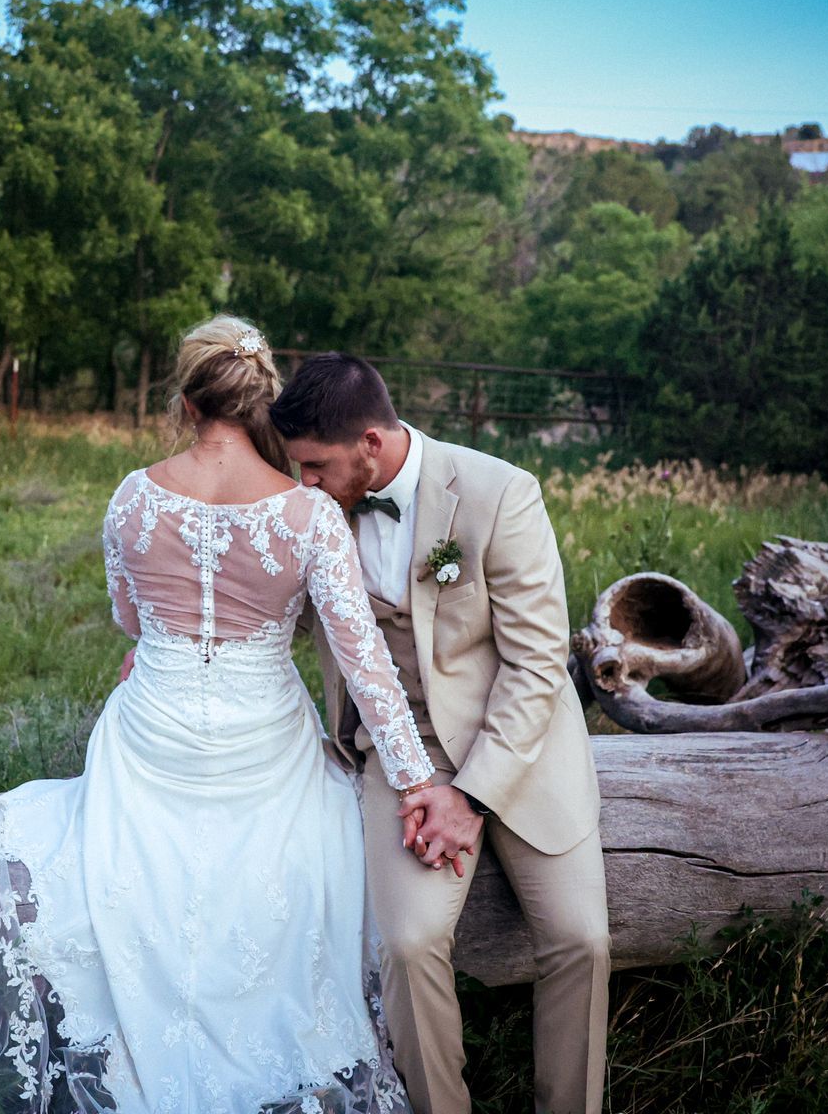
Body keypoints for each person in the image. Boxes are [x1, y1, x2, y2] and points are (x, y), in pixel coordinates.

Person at [0, 316, 440, 1113]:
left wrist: (165, 636)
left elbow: (130, 618)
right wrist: (419, 780)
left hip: (151, 730)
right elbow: (367, 668)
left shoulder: (132, 496)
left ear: (187, 404)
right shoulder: (309, 515)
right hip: (265, 737)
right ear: (259, 396)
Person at [270, 353, 609, 1114]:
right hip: (400, 751)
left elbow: (537, 666)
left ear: (370, 441)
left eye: (316, 466)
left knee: (582, 943)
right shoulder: (317, 509)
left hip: (519, 749)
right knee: (409, 945)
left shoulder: (499, 493)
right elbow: (267, 609)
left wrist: (472, 796)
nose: (306, 485)